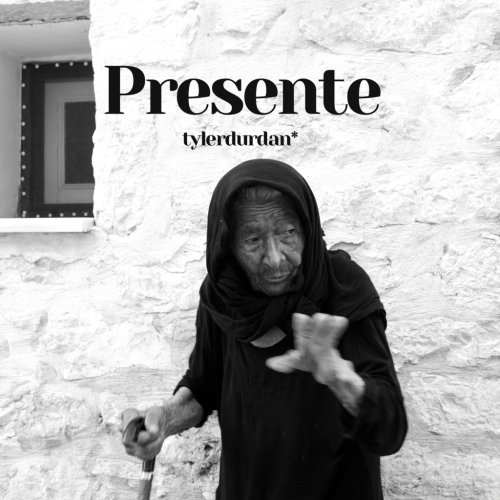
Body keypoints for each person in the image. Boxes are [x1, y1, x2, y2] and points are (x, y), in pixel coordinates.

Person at [121, 159, 408, 500]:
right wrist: (164, 421)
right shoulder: (223, 296)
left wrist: (339, 377)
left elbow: (390, 430)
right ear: (228, 245)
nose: (275, 258)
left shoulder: (342, 287)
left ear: (306, 228)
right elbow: (203, 387)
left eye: (288, 233)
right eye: (253, 239)